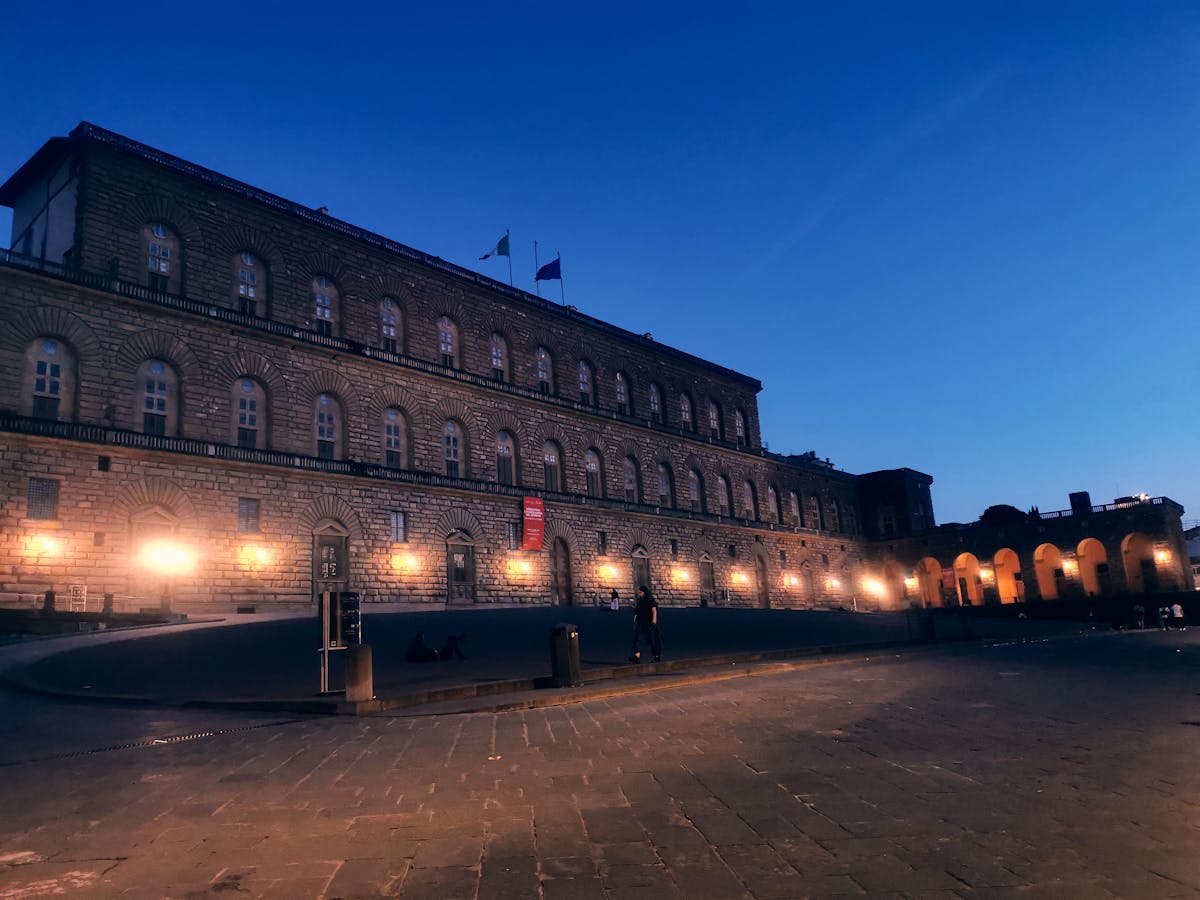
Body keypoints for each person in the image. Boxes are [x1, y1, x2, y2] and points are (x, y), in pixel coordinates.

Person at [629, 586, 662, 663]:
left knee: (653, 640)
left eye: (640, 592)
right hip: (640, 622)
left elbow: (654, 610)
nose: (639, 594)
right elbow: (638, 611)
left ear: (644, 592)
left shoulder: (650, 600)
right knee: (638, 639)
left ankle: (656, 656)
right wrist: (635, 618)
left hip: (649, 623)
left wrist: (654, 620)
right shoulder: (640, 601)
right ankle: (636, 656)